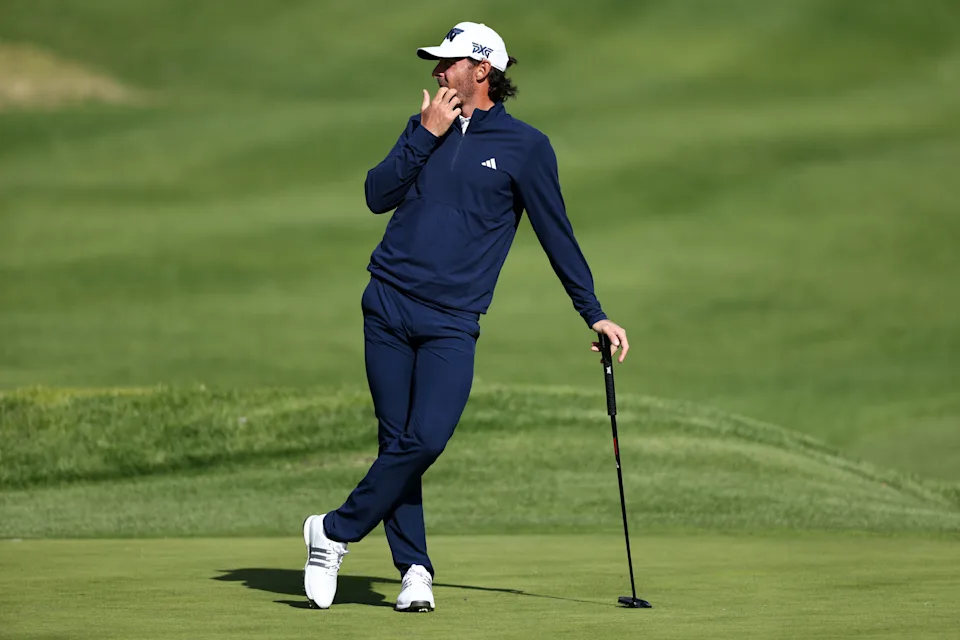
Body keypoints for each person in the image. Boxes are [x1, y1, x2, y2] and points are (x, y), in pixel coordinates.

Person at [302, 21, 629, 613]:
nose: (436, 71)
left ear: (482, 70)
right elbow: (377, 194)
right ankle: (415, 571)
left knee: (425, 438)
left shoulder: (527, 147)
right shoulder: (426, 124)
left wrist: (595, 313)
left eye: (447, 62)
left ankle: (332, 531)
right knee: (396, 441)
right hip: (387, 302)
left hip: (451, 320)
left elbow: (557, 234)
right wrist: (424, 135)